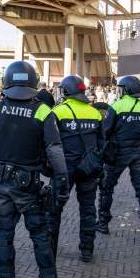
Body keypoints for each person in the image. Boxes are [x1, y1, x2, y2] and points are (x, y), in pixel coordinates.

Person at [0, 61, 68, 278]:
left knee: (4, 236)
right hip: (30, 188)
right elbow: (54, 151)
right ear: (33, 83)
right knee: (40, 236)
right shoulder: (43, 111)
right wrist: (62, 181)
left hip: (1, 186)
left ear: (6, 82)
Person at [95, 76, 140, 245]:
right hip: (138, 154)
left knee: (107, 189)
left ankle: (103, 224)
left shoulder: (117, 106)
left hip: (117, 154)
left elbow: (105, 131)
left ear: (126, 89)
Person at [49, 75, 102, 262]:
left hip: (64, 169)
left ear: (65, 91)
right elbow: (101, 144)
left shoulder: (58, 111)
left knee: (54, 209)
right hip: (88, 168)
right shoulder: (94, 113)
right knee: (88, 209)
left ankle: (50, 250)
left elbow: (49, 143)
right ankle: (87, 250)